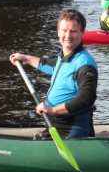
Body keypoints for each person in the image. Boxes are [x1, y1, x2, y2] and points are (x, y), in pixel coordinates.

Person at [9, 9, 98, 139]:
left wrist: (52, 110)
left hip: (72, 129)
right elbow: (53, 66)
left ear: (82, 33)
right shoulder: (64, 58)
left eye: (73, 31)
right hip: (54, 125)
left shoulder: (84, 64)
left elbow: (86, 98)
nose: (68, 36)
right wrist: (26, 59)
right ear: (58, 32)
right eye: (64, 31)